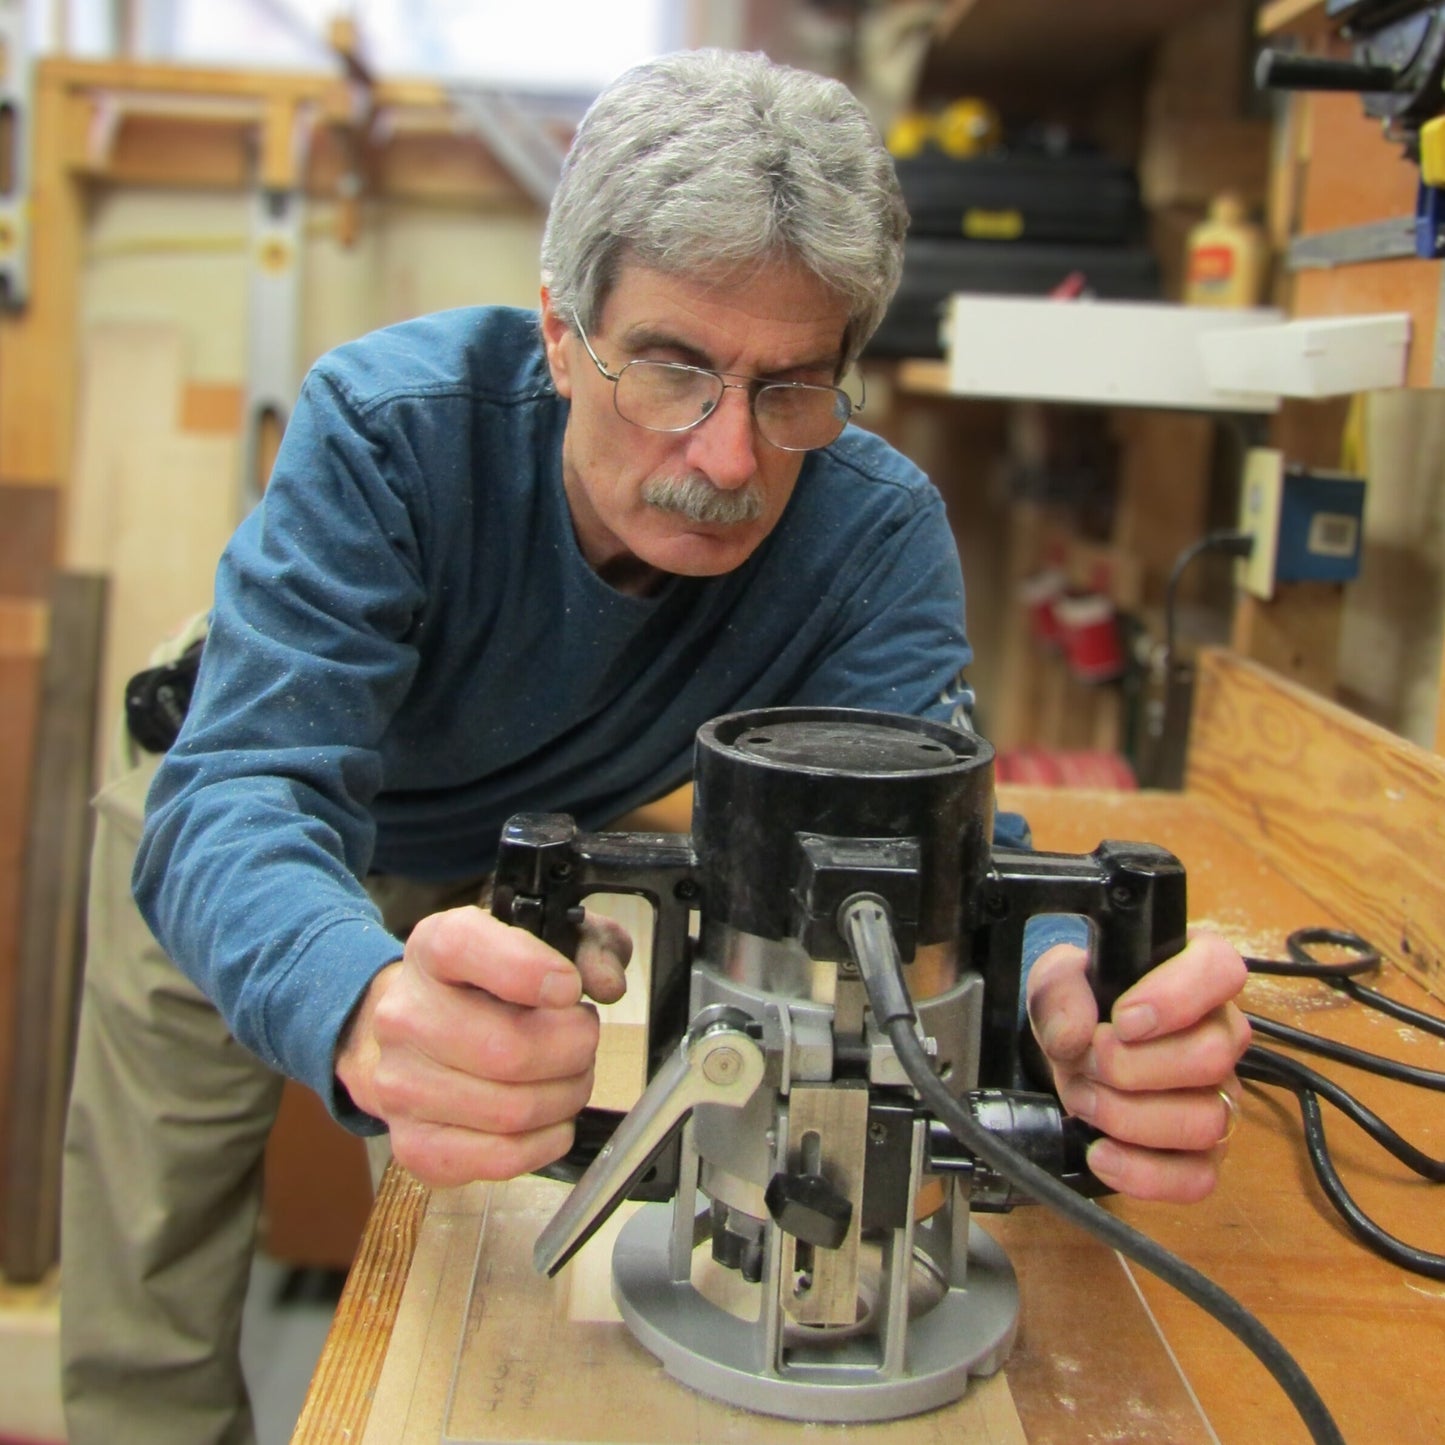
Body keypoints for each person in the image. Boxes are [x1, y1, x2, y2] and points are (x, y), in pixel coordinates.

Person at [59, 47, 1251, 1445]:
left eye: (792, 387)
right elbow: (247, 787)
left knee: (471, 1232)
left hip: (501, 851)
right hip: (246, 800)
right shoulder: (389, 429)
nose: (731, 457)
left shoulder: (869, 532)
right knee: (154, 1245)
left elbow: (927, 834)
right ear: (561, 334)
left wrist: (1071, 988)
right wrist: (362, 1008)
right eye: (673, 369)